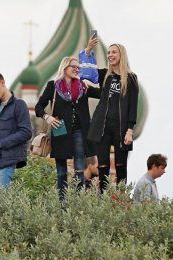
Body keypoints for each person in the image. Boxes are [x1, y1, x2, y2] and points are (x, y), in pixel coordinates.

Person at [35, 56, 100, 200]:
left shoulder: (83, 86)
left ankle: (77, 201)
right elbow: (38, 107)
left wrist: (94, 78)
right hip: (60, 131)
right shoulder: (53, 85)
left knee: (79, 169)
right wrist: (48, 117)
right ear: (64, 68)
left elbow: (103, 93)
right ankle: (62, 203)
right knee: (61, 171)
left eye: (78, 67)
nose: (77, 69)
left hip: (79, 131)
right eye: (73, 67)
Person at [85, 37, 139, 193]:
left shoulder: (131, 78)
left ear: (121, 54)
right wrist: (88, 50)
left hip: (121, 128)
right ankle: (102, 202)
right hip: (102, 127)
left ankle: (121, 200)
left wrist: (130, 129)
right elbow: (86, 71)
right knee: (103, 167)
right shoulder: (104, 75)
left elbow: (132, 106)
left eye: (113, 52)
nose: (110, 55)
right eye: (108, 52)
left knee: (121, 166)